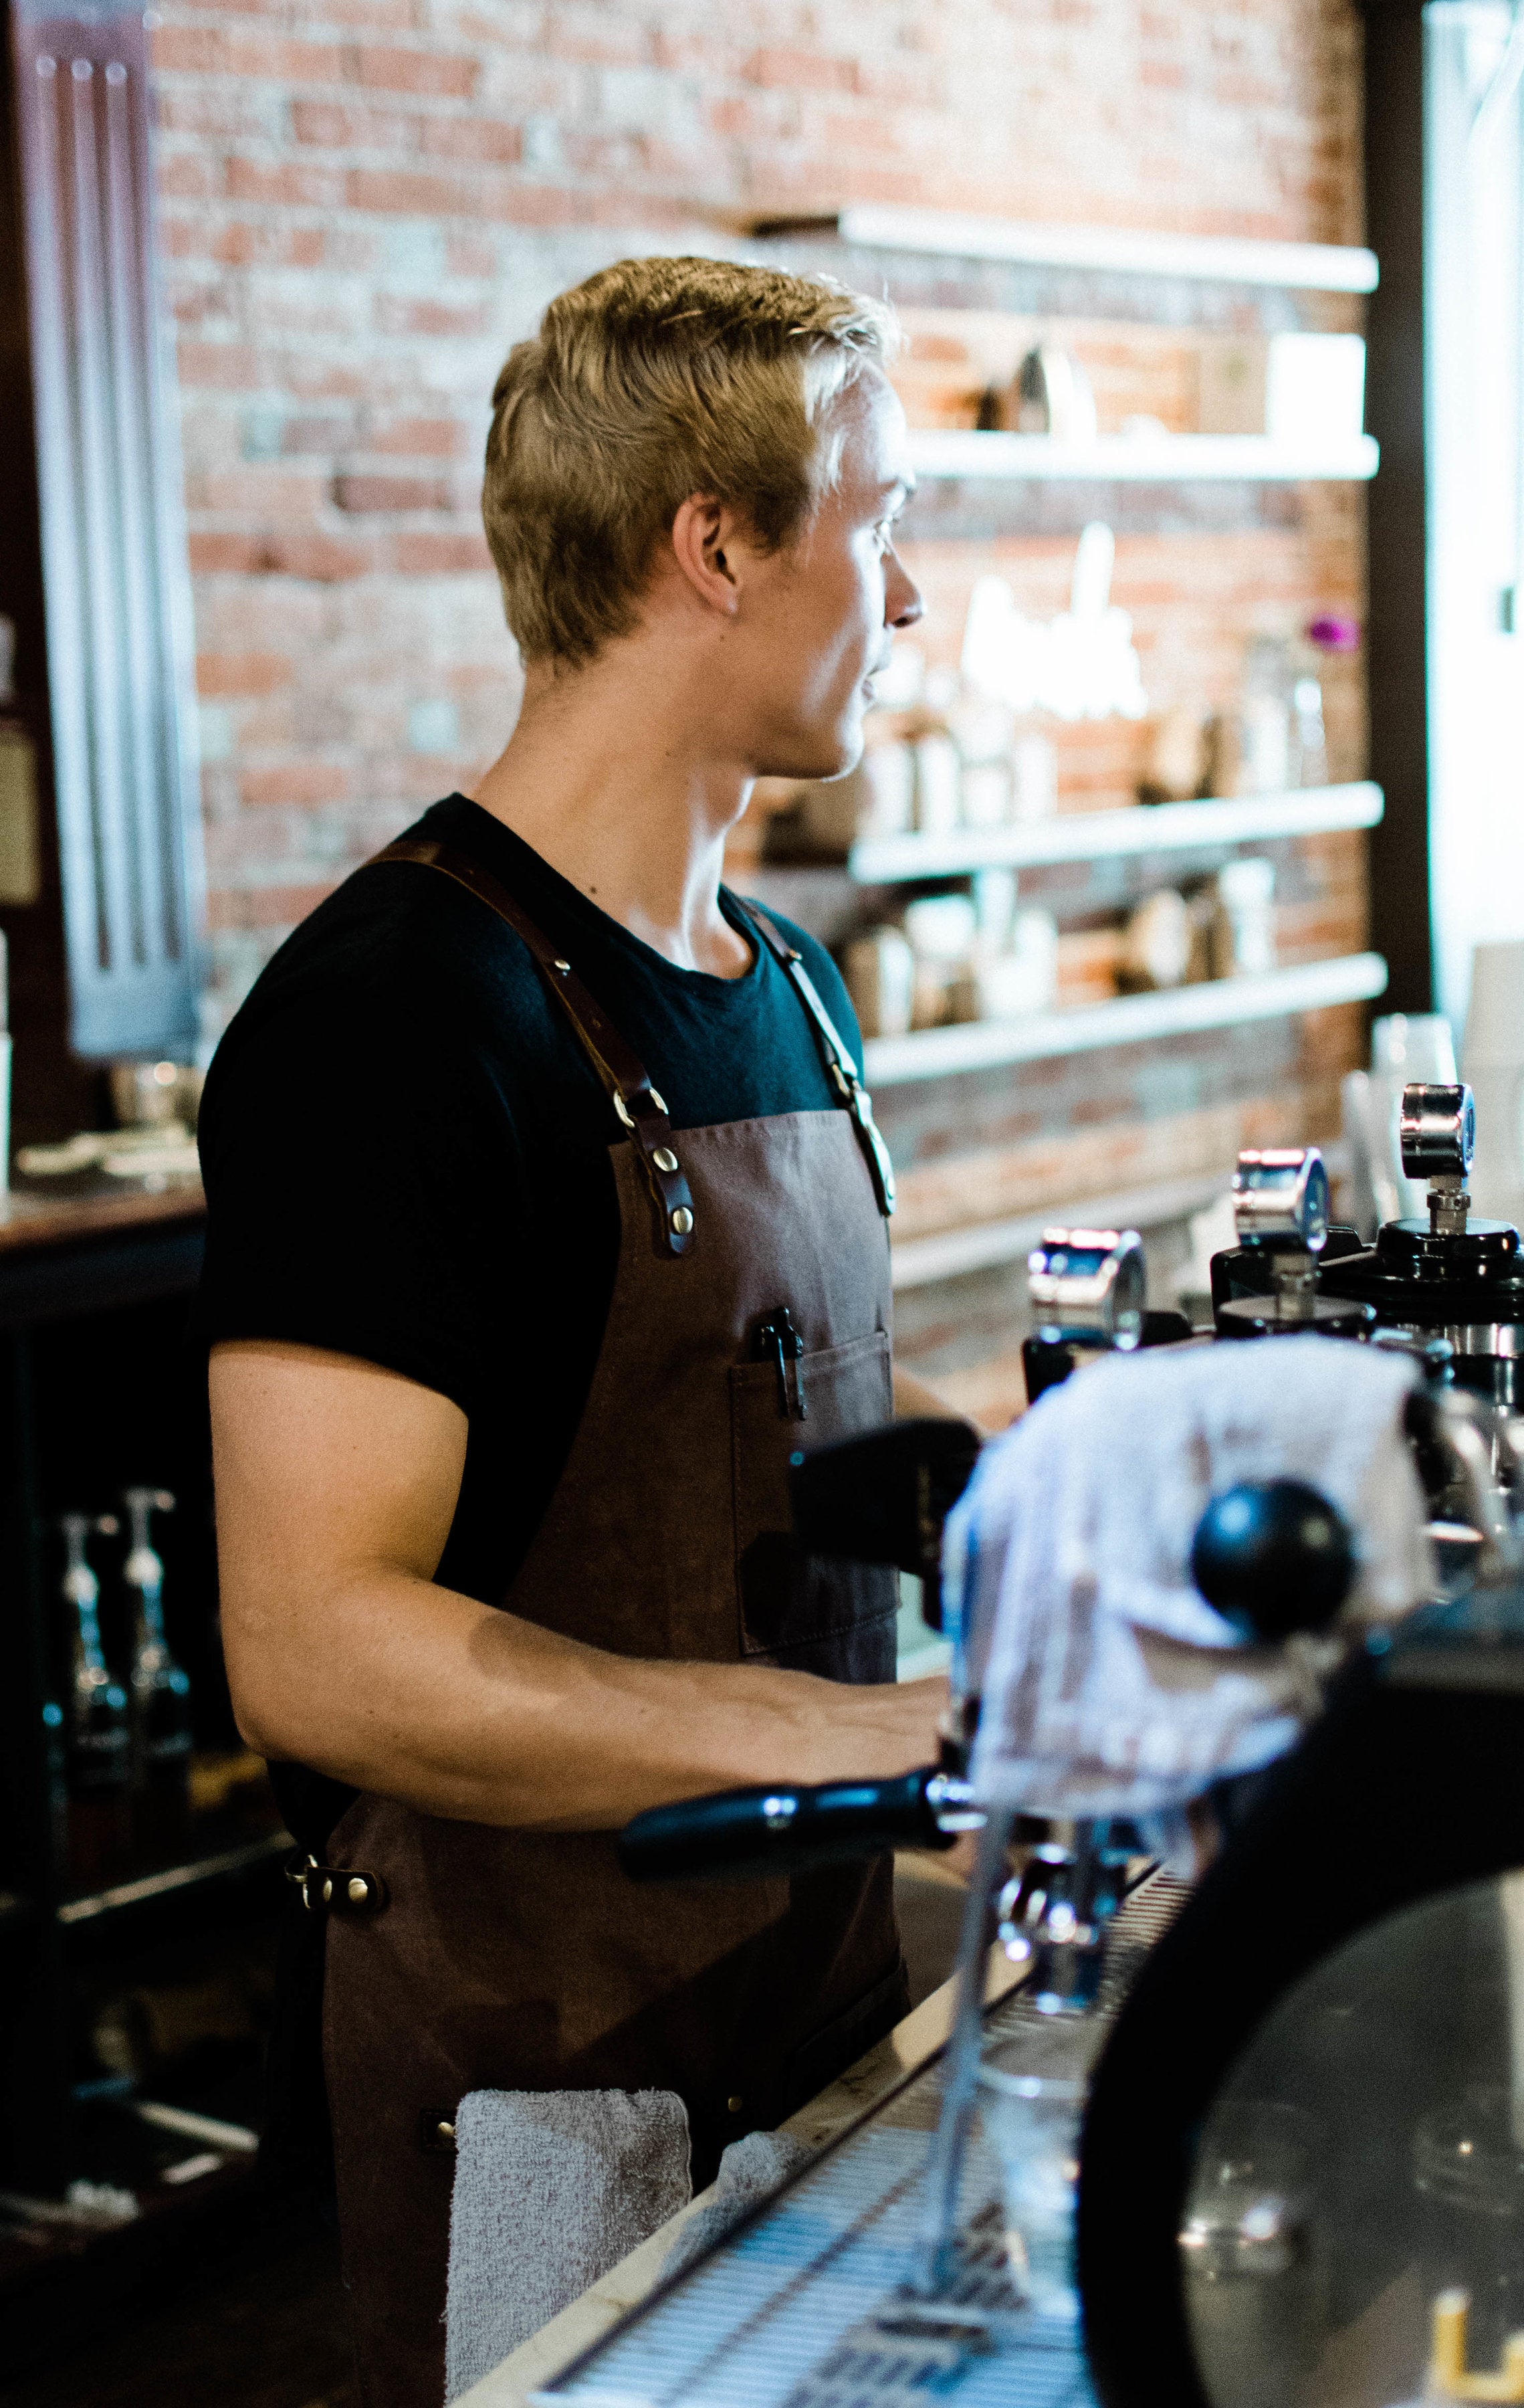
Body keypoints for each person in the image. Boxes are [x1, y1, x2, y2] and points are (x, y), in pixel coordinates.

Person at [198, 254, 955, 2408]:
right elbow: (317, 1644)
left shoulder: (790, 981)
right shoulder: (391, 1027)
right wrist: (849, 1737)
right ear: (714, 548)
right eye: (879, 522)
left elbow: (791, 1419)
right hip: (539, 2090)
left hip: (817, 2005)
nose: (905, 600)